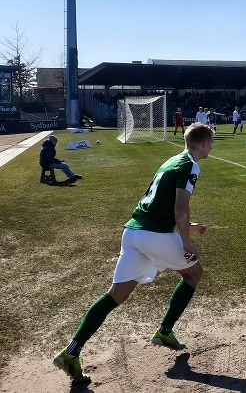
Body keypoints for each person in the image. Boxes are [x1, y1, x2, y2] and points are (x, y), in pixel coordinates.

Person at [53, 122, 214, 386]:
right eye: (211, 143)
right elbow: (180, 207)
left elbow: (158, 200)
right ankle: (164, 331)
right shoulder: (190, 165)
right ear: (204, 143)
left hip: (133, 233)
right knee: (194, 273)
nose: (211, 148)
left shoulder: (171, 160)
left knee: (116, 295)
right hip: (154, 235)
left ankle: (71, 351)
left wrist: (189, 226)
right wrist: (186, 241)